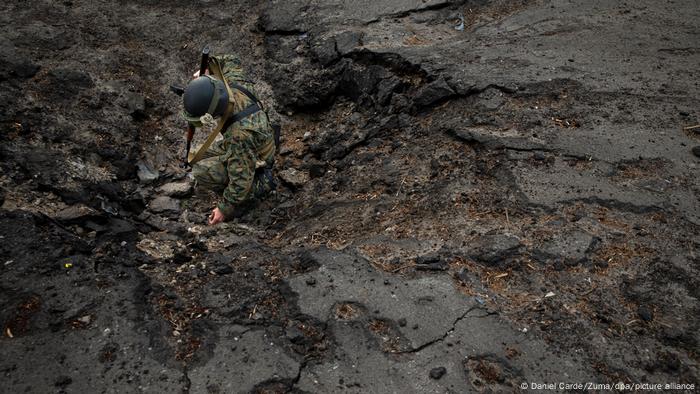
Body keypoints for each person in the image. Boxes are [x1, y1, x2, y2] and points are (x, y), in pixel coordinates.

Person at [181, 53, 276, 225]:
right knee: (197, 156)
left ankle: (258, 187)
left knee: (202, 171)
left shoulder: (238, 135)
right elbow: (230, 58)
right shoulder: (235, 82)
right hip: (257, 141)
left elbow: (241, 180)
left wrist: (224, 208)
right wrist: (207, 70)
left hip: (259, 158)